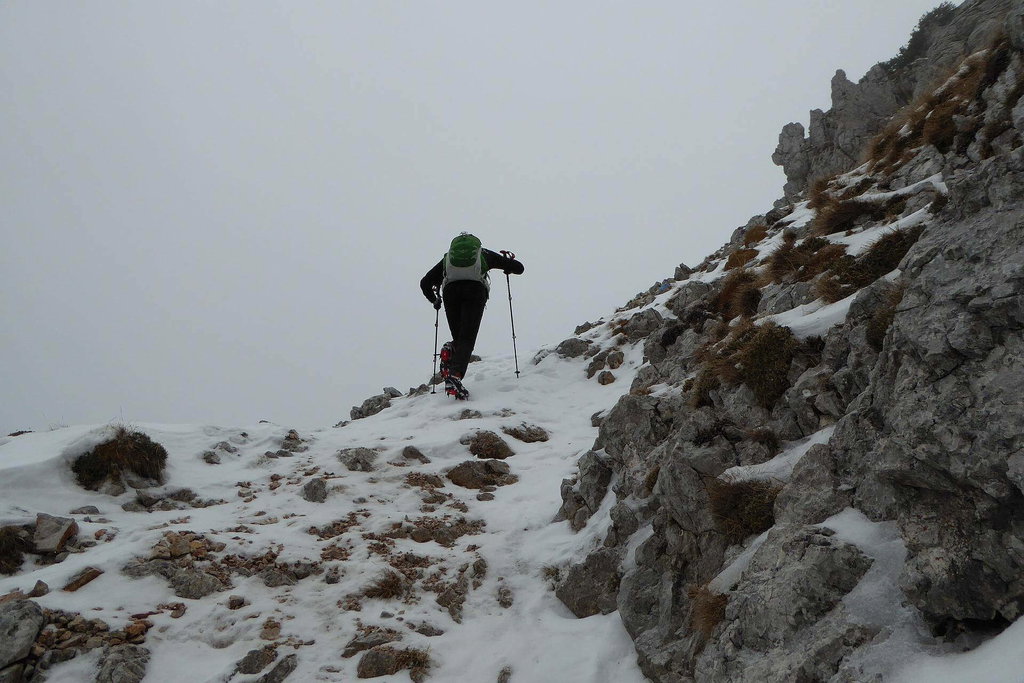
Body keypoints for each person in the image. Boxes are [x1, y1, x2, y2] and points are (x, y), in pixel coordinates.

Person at [420, 233, 525, 399]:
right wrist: (508, 264)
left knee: (460, 338)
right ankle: (455, 376)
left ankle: (451, 350)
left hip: (450, 293)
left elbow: (425, 283)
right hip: (475, 291)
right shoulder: (484, 254)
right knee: (467, 339)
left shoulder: (447, 260)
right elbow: (519, 268)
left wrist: (435, 300)